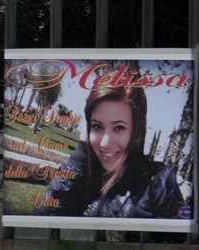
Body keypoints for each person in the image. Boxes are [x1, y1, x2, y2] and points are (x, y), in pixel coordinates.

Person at [34, 85, 186, 218]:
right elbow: (43, 222)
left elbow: (178, 244)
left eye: (119, 128)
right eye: (97, 126)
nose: (105, 143)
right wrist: (79, 159)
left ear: (137, 131)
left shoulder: (158, 181)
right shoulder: (79, 176)